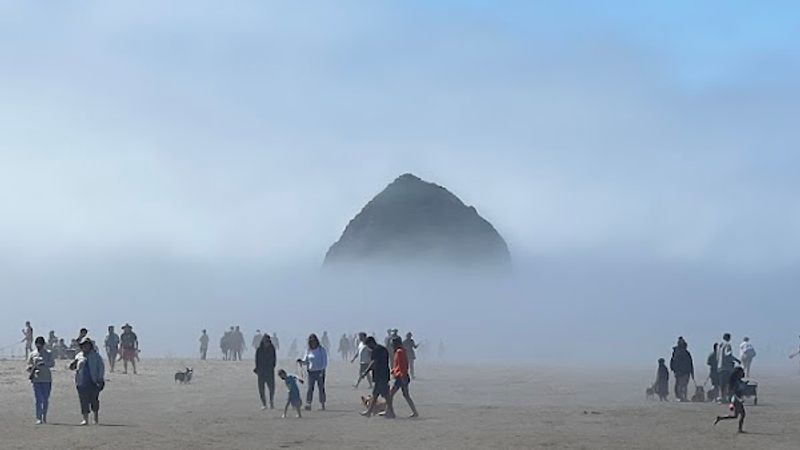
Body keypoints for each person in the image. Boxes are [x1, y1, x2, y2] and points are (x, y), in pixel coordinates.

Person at [69, 337, 105, 426]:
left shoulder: (96, 356)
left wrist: (100, 379)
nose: (86, 347)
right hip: (81, 382)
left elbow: (101, 368)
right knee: (83, 401)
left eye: (87, 345)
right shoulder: (79, 356)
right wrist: (73, 364)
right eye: (84, 345)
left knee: (94, 400)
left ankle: (96, 418)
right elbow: (72, 367)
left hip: (93, 381)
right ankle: (85, 419)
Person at [359, 336, 393, 418]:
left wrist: (366, 372)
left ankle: (390, 412)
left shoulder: (376, 350)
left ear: (371, 343)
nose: (369, 348)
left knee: (381, 395)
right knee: (378, 394)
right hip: (384, 374)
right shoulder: (383, 349)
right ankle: (370, 412)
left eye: (368, 346)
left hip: (380, 375)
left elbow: (373, 362)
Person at [389, 336, 419, 417]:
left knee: (390, 395)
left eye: (392, 343)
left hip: (401, 377)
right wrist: (393, 371)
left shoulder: (399, 352)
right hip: (402, 376)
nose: (391, 345)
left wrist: (403, 377)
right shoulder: (400, 351)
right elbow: (398, 365)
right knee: (406, 395)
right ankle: (415, 412)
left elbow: (402, 365)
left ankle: (390, 412)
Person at [27, 336, 55, 424]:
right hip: (36, 379)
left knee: (45, 399)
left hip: (46, 379)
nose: (39, 346)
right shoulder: (32, 354)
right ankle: (38, 417)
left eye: (41, 345)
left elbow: (52, 364)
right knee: (38, 399)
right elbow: (28, 366)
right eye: (37, 344)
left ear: (43, 345)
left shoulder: (48, 353)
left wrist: (44, 364)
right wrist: (32, 368)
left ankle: (44, 416)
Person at [297, 333, 328, 411]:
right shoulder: (308, 350)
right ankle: (308, 404)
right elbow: (306, 361)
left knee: (321, 388)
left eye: (314, 340)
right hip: (311, 372)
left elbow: (324, 361)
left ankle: (322, 405)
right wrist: (301, 361)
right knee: (310, 388)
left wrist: (322, 370)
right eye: (311, 341)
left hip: (320, 372)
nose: (312, 342)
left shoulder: (321, 349)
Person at [714, 367, 747, 433]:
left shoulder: (738, 380)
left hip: (736, 399)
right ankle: (739, 429)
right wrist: (739, 399)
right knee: (742, 414)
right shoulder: (735, 382)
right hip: (736, 400)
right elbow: (734, 392)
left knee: (736, 416)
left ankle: (720, 418)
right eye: (741, 372)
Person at [254, 334, 277, 410]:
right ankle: (264, 404)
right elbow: (257, 360)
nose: (266, 342)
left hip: (270, 371)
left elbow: (274, 360)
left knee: (271, 388)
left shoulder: (272, 348)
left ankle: (271, 402)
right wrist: (257, 369)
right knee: (261, 388)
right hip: (261, 371)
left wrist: (272, 367)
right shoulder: (259, 349)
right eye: (265, 340)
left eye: (268, 341)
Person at [669, 337, 694, 402]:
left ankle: (683, 397)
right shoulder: (678, 353)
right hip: (681, 372)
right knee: (681, 386)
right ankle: (681, 397)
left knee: (682, 385)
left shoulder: (682, 353)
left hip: (683, 372)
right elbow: (673, 362)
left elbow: (690, 363)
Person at [717, 333, 739, 401]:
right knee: (727, 383)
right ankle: (725, 398)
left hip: (720, 367)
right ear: (729, 338)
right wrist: (736, 360)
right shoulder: (727, 345)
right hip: (726, 368)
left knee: (721, 384)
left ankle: (721, 397)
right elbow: (728, 355)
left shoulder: (720, 345)